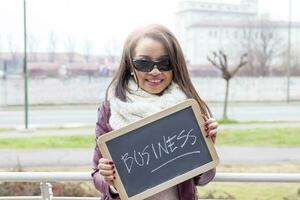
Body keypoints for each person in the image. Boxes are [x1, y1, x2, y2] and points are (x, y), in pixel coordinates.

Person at [91, 24, 218, 200]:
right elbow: (97, 175)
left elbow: (203, 179)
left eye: (164, 63)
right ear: (130, 66)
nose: (155, 71)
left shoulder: (187, 109)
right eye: (144, 63)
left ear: (175, 65)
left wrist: (206, 148)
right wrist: (111, 182)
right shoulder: (111, 109)